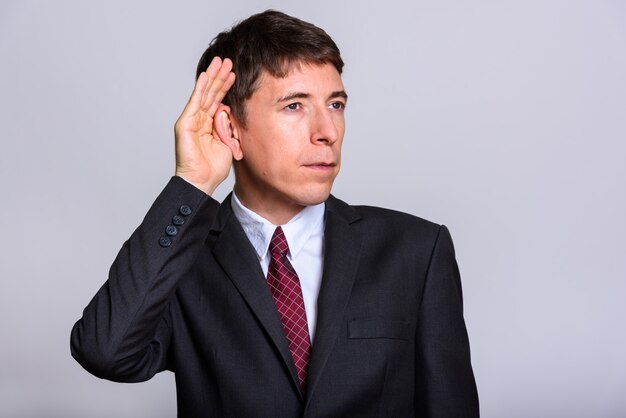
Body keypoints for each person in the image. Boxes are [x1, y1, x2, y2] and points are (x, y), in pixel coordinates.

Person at [71, 10, 479, 417]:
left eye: (335, 104)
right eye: (294, 106)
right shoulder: (183, 261)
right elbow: (104, 351)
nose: (328, 132)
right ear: (231, 129)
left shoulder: (416, 251)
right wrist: (192, 183)